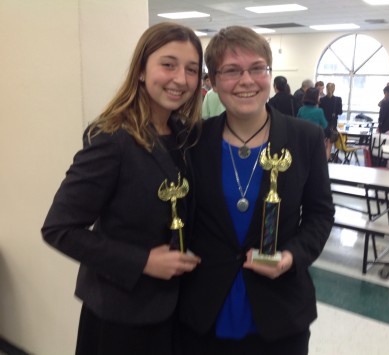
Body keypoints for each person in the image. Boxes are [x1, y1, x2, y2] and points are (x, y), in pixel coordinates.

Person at [41, 22, 202, 355]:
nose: (181, 79)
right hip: (122, 316)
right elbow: (59, 228)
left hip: (177, 309)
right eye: (168, 64)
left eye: (192, 69)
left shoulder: (184, 135)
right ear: (141, 70)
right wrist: (142, 261)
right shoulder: (113, 138)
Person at [179, 25, 335, 355]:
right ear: (213, 80)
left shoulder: (304, 138)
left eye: (257, 68)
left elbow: (320, 214)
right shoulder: (192, 141)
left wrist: (292, 256)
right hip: (203, 312)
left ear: (269, 73)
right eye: (231, 71)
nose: (246, 81)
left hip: (280, 312)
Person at [319, 82, 343, 159]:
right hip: (332, 124)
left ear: (326, 89)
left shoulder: (322, 100)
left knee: (322, 145)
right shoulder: (338, 99)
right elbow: (340, 112)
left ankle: (320, 161)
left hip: (323, 124)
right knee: (329, 145)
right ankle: (326, 163)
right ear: (334, 89)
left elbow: (320, 111)